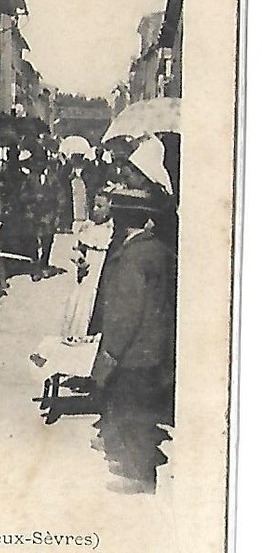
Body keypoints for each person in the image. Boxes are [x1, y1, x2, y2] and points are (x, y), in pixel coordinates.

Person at [89, 186, 175, 494]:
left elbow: (125, 313)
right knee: (140, 409)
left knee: (131, 411)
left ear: (122, 218)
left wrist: (109, 355)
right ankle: (134, 465)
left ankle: (138, 476)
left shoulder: (134, 257)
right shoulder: (155, 249)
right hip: (151, 347)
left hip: (133, 351)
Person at [61, 188, 114, 342]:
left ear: (110, 207)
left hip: (100, 276)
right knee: (77, 307)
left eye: (100, 206)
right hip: (84, 278)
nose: (95, 210)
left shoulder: (111, 230)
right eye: (94, 205)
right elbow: (75, 249)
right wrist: (80, 260)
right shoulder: (87, 227)